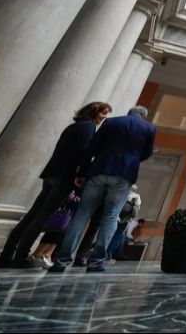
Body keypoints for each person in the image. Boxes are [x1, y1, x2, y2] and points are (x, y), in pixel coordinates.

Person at [0, 102, 110, 269]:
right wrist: (80, 175)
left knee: (32, 216)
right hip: (65, 177)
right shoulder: (88, 128)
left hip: (52, 174)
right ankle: (20, 256)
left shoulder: (74, 126)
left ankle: (5, 256)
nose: (104, 117)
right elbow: (82, 154)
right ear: (95, 112)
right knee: (41, 218)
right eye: (103, 113)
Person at [49, 106, 155, 273]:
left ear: (129, 113)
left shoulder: (111, 122)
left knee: (81, 215)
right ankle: (97, 261)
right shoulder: (149, 128)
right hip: (124, 175)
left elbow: (92, 147)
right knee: (111, 216)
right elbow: (146, 153)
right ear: (144, 116)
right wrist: (132, 157)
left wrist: (82, 171)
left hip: (99, 170)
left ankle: (61, 260)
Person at [108, 185, 141, 261]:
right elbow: (136, 211)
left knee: (111, 236)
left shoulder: (122, 193)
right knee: (117, 237)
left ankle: (106, 254)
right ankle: (109, 254)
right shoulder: (136, 197)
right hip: (125, 220)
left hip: (116, 218)